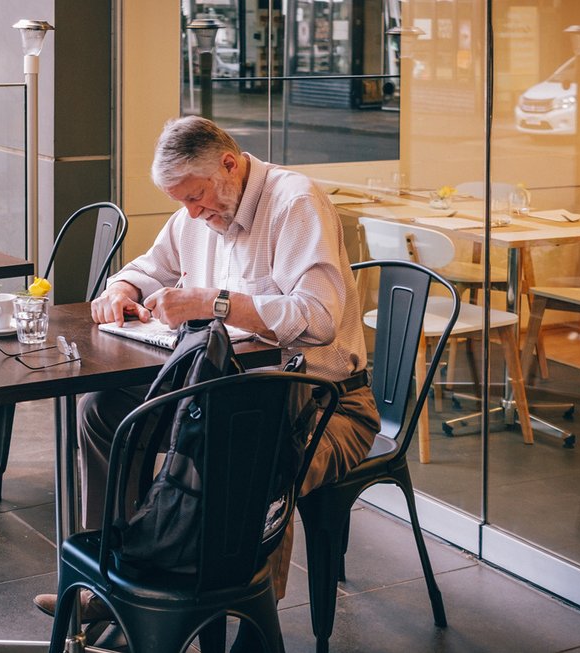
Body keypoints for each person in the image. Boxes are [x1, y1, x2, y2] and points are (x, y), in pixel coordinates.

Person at [35, 116, 380, 649]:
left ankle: (250, 624)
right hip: (223, 393)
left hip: (325, 403)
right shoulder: (197, 212)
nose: (192, 213)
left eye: (195, 197)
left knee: (254, 450)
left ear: (229, 163)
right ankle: (115, 583)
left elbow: (318, 319)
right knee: (101, 410)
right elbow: (151, 266)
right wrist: (121, 286)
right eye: (183, 203)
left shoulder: (294, 203)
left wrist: (213, 302)